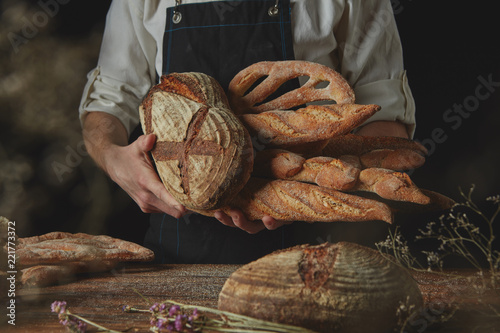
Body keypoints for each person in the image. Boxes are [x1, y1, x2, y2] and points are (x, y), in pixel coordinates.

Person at [79, 0, 416, 264]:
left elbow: (383, 117)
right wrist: (113, 158)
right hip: (180, 254)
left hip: (318, 252)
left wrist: (325, 182)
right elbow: (108, 101)